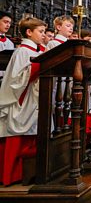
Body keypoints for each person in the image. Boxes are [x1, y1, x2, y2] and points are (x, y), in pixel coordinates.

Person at [0, 17, 46, 186]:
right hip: (22, 99)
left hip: (34, 98)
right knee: (18, 135)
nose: (43, 35)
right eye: (40, 32)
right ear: (29, 32)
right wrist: (40, 65)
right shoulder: (22, 52)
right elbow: (16, 80)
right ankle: (12, 175)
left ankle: (28, 173)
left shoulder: (37, 51)